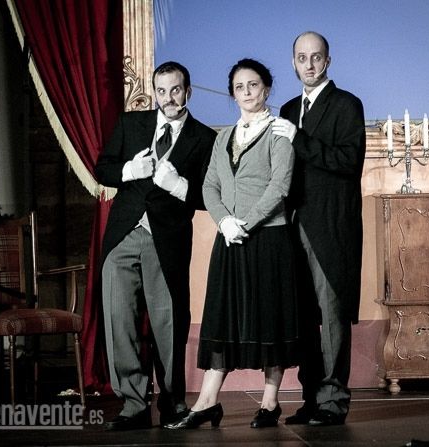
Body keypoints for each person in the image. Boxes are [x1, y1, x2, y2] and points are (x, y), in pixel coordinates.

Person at [165, 58, 299, 430]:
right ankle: (208, 401)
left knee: (269, 319)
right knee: (223, 317)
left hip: (269, 239)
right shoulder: (223, 137)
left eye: (253, 85)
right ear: (233, 94)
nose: (247, 92)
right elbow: (210, 185)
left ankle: (270, 402)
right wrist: (224, 221)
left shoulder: (278, 132)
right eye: (239, 87)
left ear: (266, 89)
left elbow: (280, 186)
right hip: (229, 239)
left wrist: (246, 224)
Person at [95, 61, 217, 430]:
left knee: (169, 323)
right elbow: (103, 168)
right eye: (161, 91)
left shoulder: (204, 138)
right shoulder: (131, 124)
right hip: (123, 235)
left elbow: (209, 196)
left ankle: (173, 402)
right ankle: (133, 405)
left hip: (167, 239)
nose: (168, 98)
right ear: (154, 92)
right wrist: (127, 171)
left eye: (175, 90)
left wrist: (179, 185)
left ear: (188, 91)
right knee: (119, 321)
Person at [271, 31, 366, 426]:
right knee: (304, 318)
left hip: (330, 226)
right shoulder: (288, 108)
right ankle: (311, 398)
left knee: (332, 314)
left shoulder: (347, 105)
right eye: (301, 57)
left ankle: (332, 401)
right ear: (293, 62)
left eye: (316, 57)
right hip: (292, 225)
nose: (308, 64)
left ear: (328, 60)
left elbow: (348, 161)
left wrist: (300, 139)